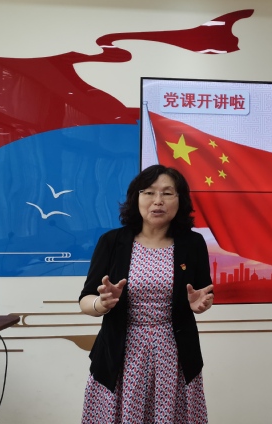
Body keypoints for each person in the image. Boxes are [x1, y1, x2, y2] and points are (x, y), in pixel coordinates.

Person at [79, 164, 214, 424]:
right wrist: (101, 303)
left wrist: (201, 304)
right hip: (121, 351)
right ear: (136, 198)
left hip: (174, 352)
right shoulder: (112, 242)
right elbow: (85, 299)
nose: (158, 200)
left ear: (180, 200)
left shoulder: (192, 244)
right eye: (149, 192)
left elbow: (203, 292)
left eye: (167, 193)